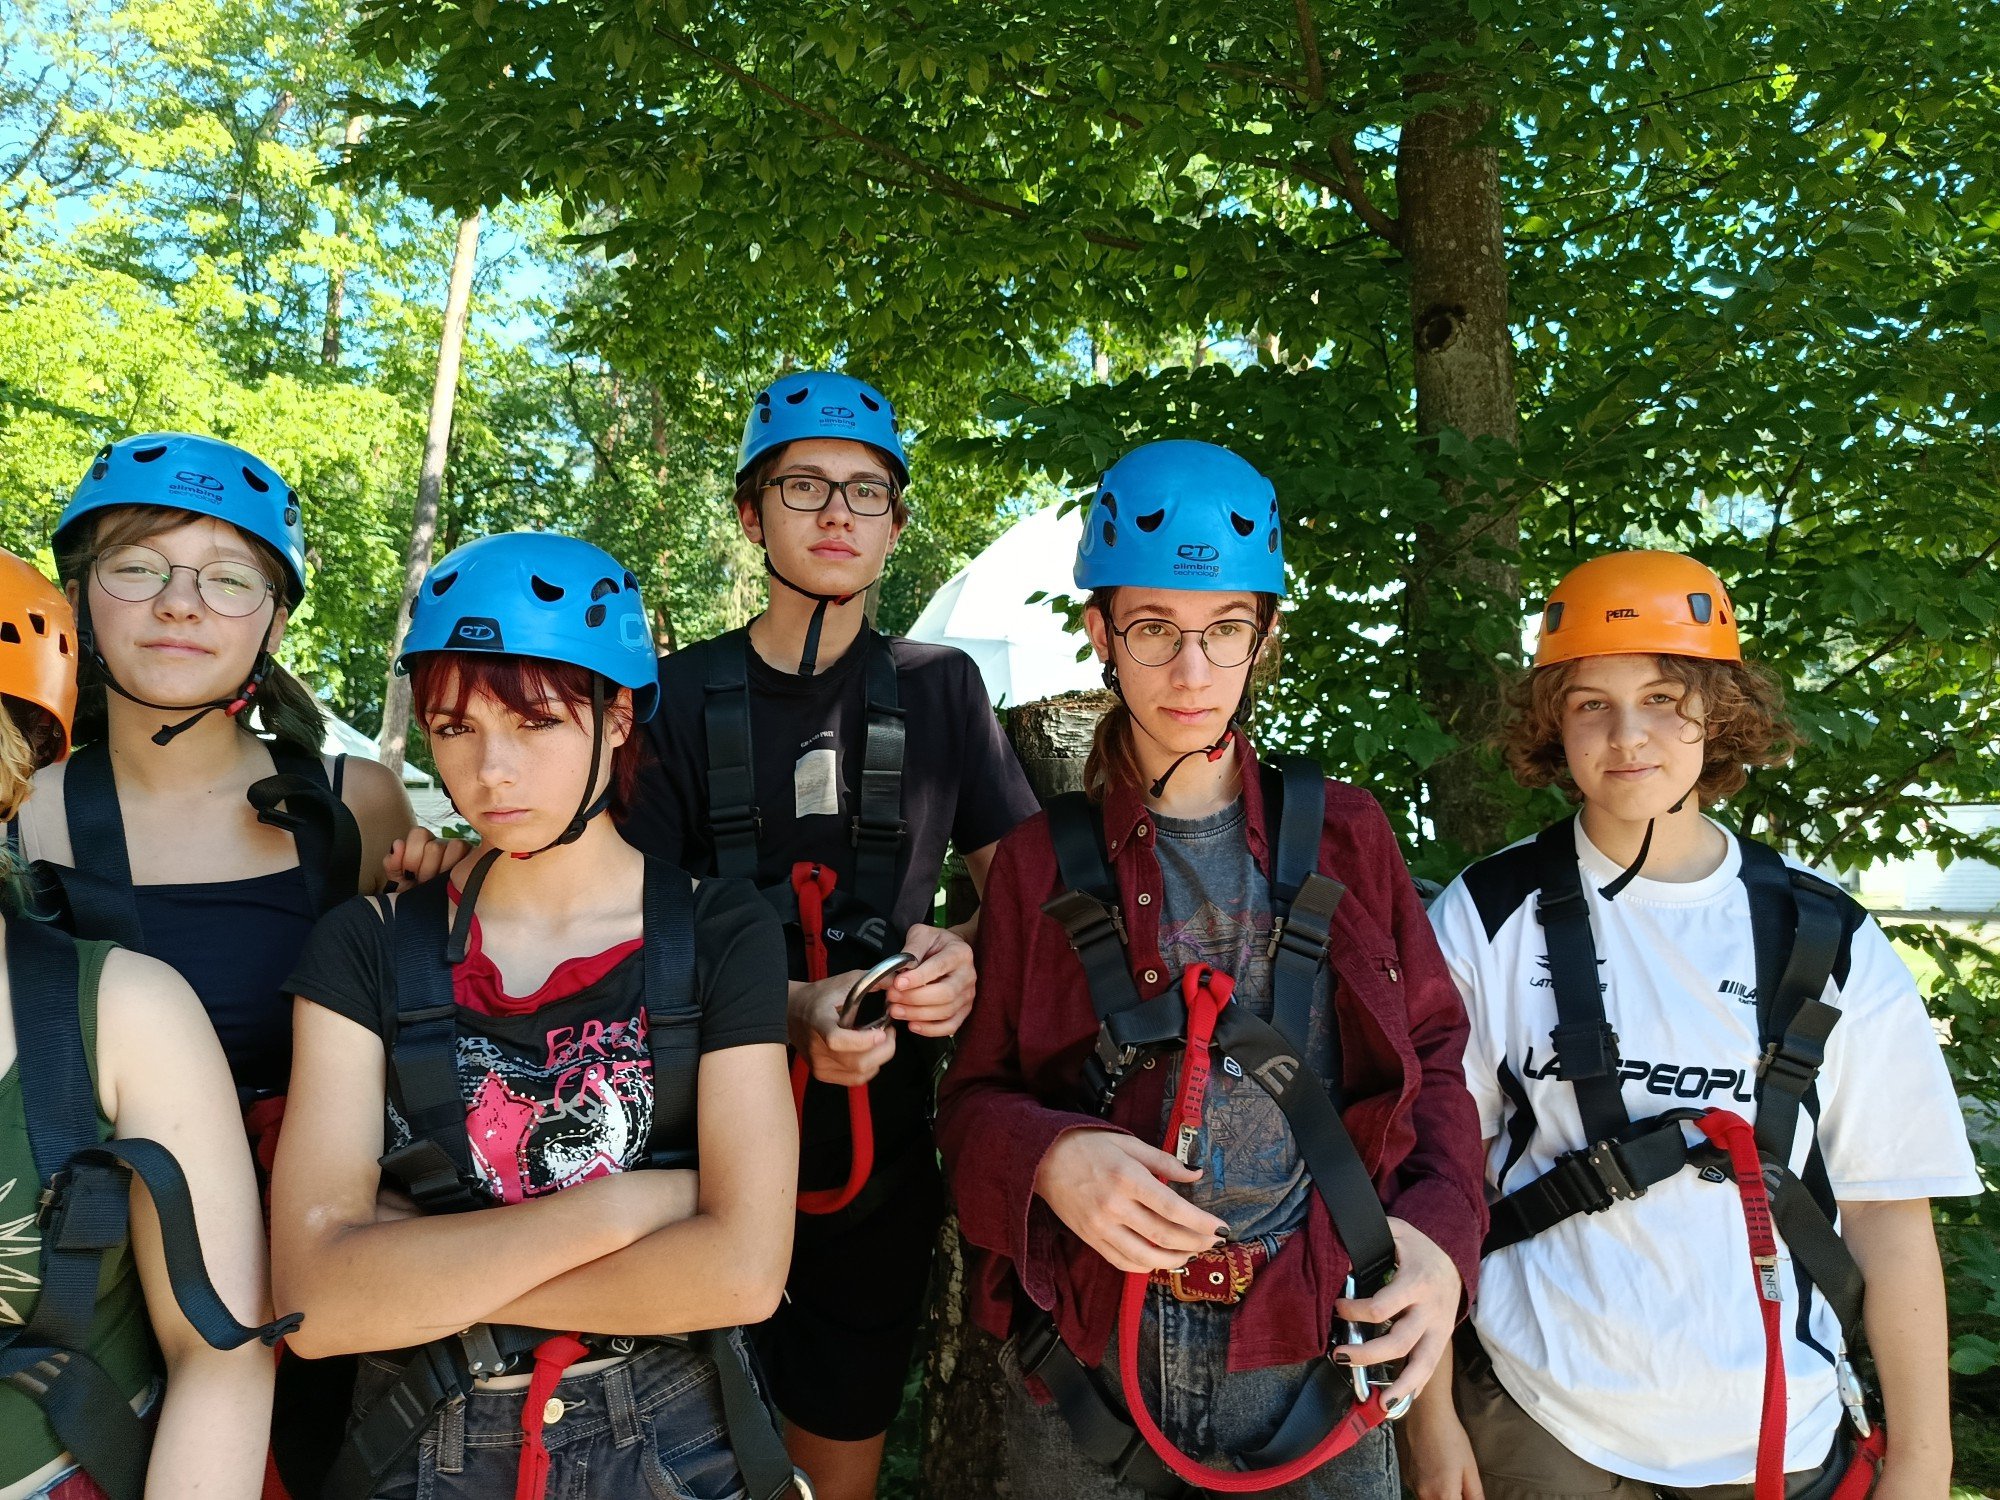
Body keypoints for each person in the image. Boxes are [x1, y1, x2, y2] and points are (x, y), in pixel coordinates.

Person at [936, 440, 1486, 1498]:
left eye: (1224, 630)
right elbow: (969, 1106)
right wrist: (1048, 1159)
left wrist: (1439, 1240)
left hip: (1314, 1350)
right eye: (1153, 630)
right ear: (1100, 633)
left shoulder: (1348, 837)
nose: (1191, 674)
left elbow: (1432, 1060)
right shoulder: (1040, 864)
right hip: (1093, 1370)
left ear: (1262, 637)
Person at [1410, 551, 1980, 1500]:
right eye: (1591, 703)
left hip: (1775, 1432)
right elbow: (1431, 1176)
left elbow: (1888, 1209)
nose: (1628, 735)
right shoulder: (1487, 915)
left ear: (1719, 710)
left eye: (1664, 698)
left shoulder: (1825, 936)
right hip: (1535, 1421)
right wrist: (1430, 1424)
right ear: (1554, 721)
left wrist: (1923, 1463)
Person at [271, 530, 802, 1500]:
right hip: (422, 1442)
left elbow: (741, 1276)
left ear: (618, 716)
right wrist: (631, 1208)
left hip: (670, 1443)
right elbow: (315, 1303)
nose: (492, 772)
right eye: (454, 727)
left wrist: (414, 1277)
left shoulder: (720, 934)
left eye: (536, 722)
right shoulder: (365, 948)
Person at [616, 370, 1042, 1500]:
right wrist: (785, 1012)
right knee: (674, 1450)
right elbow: (616, 929)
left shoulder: (940, 692)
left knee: (834, 1460)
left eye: (866, 492)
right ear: (750, 514)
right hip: (684, 1149)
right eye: (804, 486)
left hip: (876, 1155)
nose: (838, 514)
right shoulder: (668, 699)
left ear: (896, 525)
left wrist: (964, 954)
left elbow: (1023, 902)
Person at [0, 546, 286, 1500]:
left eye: (225, 579)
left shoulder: (125, 1013)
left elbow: (221, 1354)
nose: (181, 605)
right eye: (143, 570)